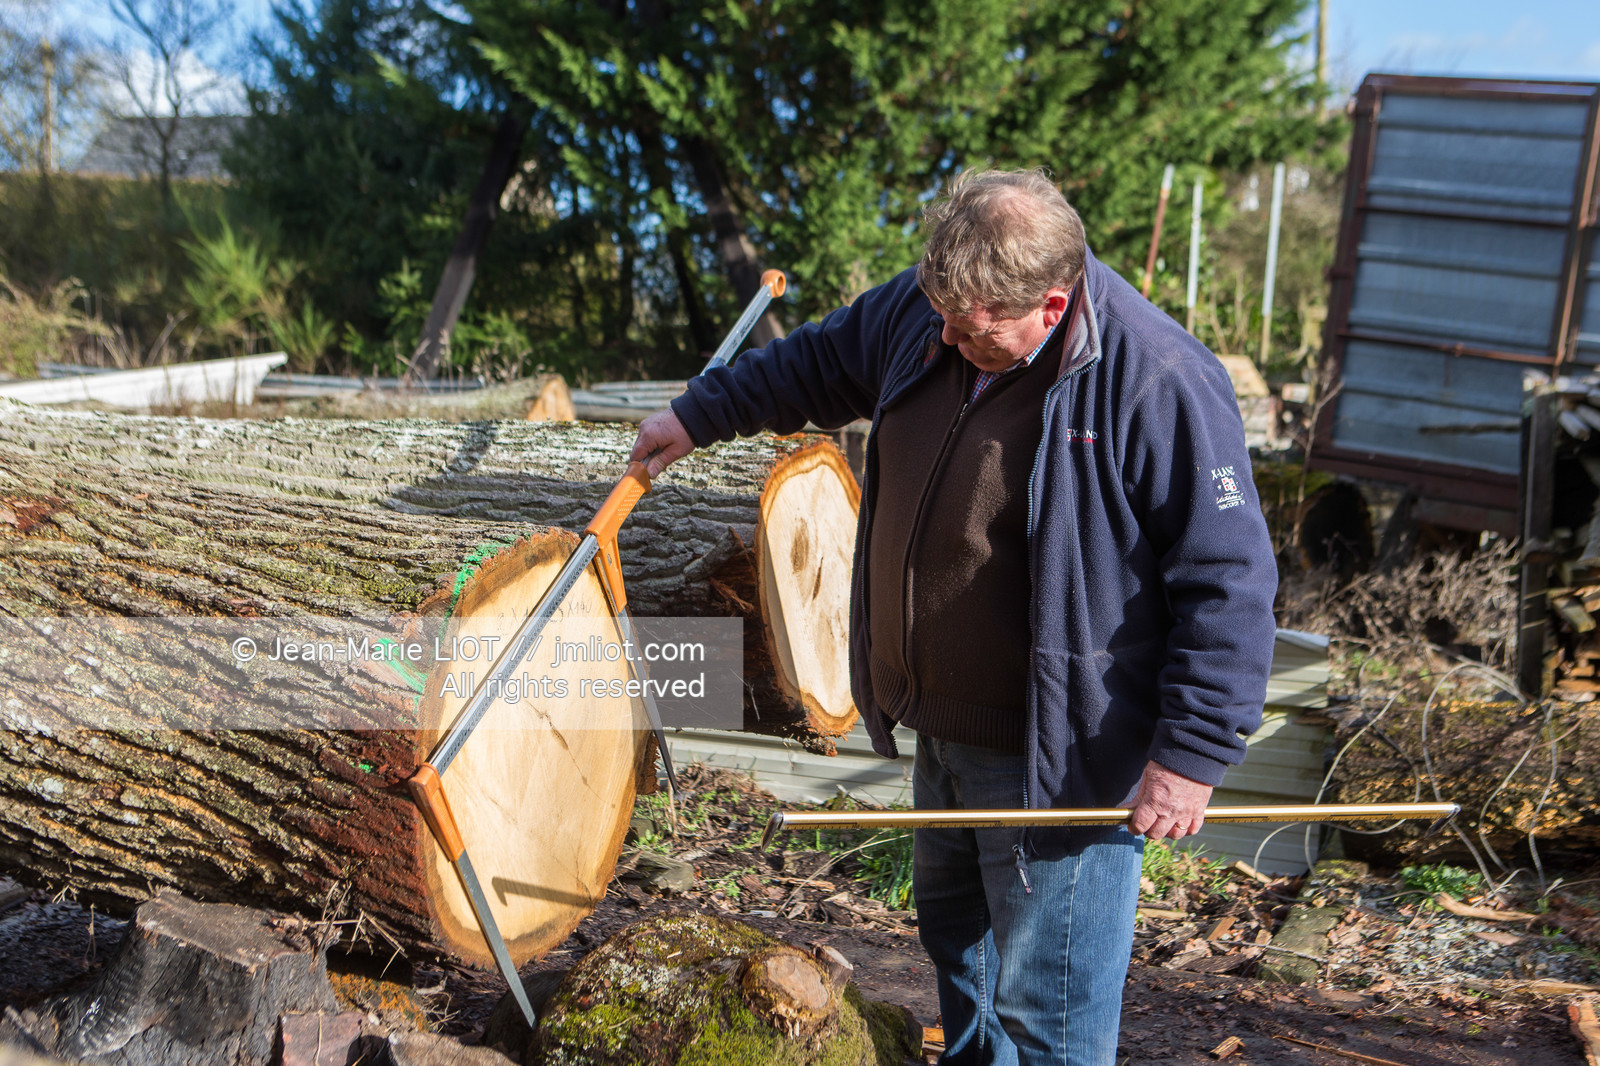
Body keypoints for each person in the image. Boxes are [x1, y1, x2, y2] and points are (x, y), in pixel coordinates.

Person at [630, 168, 1278, 1066]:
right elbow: (820, 359)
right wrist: (700, 414)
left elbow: (1230, 576)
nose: (943, 336)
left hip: (1063, 760)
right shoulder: (933, 312)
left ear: (1051, 306)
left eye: (973, 332)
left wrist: (1195, 750)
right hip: (939, 722)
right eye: (939, 313)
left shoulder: (1158, 379)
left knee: (1045, 1008)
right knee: (959, 958)